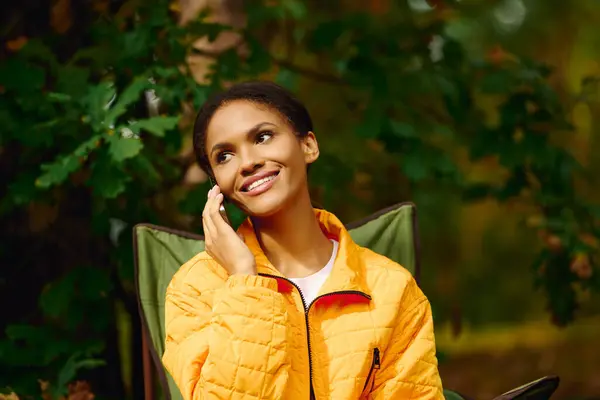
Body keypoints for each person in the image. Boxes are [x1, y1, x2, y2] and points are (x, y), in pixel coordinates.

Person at [162, 81, 444, 399]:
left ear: (308, 146)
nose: (247, 162)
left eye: (262, 137)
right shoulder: (195, 287)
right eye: (224, 156)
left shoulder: (391, 288)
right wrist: (244, 280)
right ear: (217, 186)